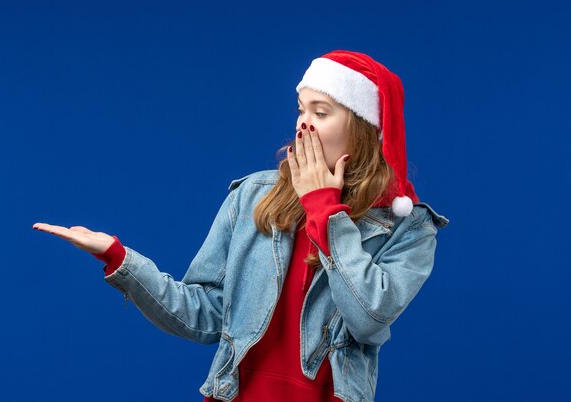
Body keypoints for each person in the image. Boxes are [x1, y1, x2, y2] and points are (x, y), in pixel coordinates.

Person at [32, 49, 450, 402]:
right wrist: (119, 257)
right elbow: (206, 317)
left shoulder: (408, 228)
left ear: (364, 130)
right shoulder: (253, 196)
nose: (303, 122)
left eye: (321, 112)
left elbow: (367, 317)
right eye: (301, 109)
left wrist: (324, 209)